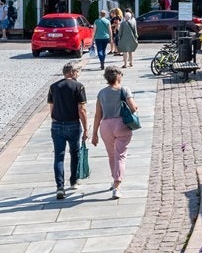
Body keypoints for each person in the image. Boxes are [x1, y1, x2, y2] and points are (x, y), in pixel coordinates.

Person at [91, 67, 137, 200]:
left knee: (112, 155)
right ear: (118, 77)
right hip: (121, 124)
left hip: (105, 126)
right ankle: (117, 186)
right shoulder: (124, 90)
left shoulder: (101, 93)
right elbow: (133, 108)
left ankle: (114, 180)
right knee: (120, 156)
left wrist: (94, 134)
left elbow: (97, 115)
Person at [47, 63, 88, 200]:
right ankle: (74, 180)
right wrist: (86, 128)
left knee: (59, 156)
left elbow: (51, 108)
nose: (78, 73)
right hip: (73, 124)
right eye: (78, 71)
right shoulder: (79, 86)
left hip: (57, 124)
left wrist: (55, 119)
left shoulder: (53, 87)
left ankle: (59, 186)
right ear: (72, 72)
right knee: (74, 152)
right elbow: (81, 110)